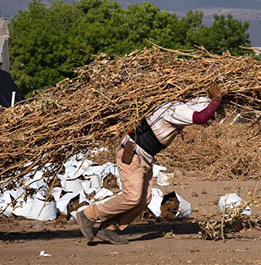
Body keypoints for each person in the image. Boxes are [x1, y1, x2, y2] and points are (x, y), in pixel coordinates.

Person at [76, 84, 223, 244]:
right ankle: (89, 214)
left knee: (144, 199)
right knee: (132, 197)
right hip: (133, 154)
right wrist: (217, 99)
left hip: (144, 157)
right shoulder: (173, 108)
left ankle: (109, 228)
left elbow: (202, 112)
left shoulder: (175, 105)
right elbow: (202, 117)